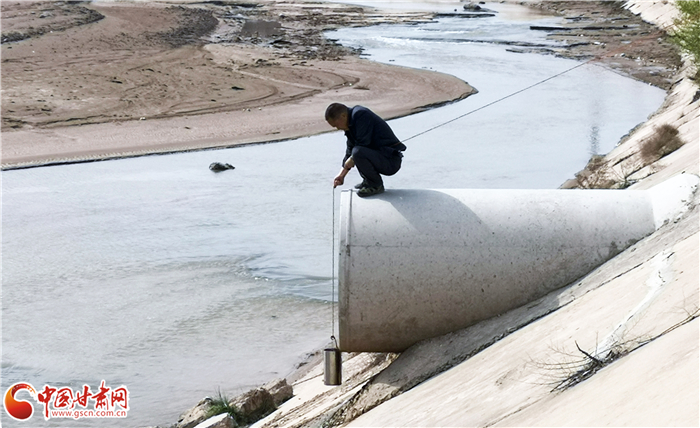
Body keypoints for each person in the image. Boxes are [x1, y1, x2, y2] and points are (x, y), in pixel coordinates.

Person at [326, 103, 406, 197]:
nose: (338, 128)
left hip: (390, 161)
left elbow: (363, 144)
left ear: (343, 115)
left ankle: (376, 185)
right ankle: (368, 181)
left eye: (336, 125)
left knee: (358, 152)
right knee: (356, 152)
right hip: (380, 158)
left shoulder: (360, 115)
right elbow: (350, 151)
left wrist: (351, 159)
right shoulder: (350, 124)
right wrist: (341, 175)